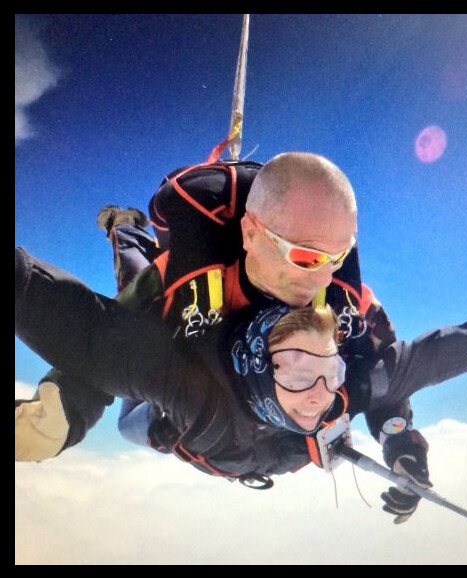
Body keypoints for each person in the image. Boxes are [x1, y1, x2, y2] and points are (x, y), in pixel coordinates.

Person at [15, 247, 467, 521]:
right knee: (138, 324)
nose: (321, 396)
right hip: (167, 417)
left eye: (329, 374)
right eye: (301, 374)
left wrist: (400, 446)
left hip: (226, 443)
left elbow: (444, 354)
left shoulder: (349, 371)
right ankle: (129, 235)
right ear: (260, 368)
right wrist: (63, 418)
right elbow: (87, 334)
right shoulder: (196, 391)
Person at [16, 153, 402, 467]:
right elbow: (101, 338)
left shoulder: (346, 303)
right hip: (171, 370)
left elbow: (384, 367)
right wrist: (60, 418)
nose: (323, 279)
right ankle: (127, 228)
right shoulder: (184, 286)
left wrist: (399, 437)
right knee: (130, 421)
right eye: (305, 258)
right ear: (250, 233)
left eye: (336, 257)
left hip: (236, 425)